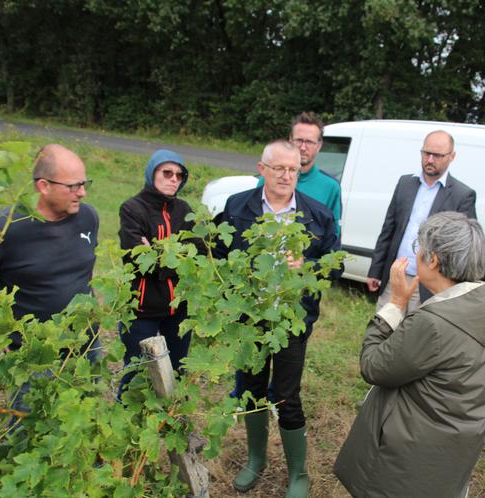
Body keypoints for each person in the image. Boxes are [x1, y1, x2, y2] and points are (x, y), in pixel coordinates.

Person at [334, 212, 485, 498]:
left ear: (433, 261)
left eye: (418, 249)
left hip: (411, 453)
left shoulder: (434, 323)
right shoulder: (484, 303)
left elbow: (375, 366)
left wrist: (395, 304)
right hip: (451, 445)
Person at [214, 139, 340, 498]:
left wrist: (308, 266)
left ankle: (298, 473)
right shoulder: (238, 207)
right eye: (279, 168)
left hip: (290, 321)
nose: (287, 175)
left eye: (293, 169)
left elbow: (335, 264)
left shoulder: (317, 215)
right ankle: (256, 460)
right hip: (249, 319)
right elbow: (222, 257)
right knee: (250, 389)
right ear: (262, 169)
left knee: (286, 395)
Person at [0, 144, 99, 422]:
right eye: (73, 186)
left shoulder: (88, 217)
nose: (82, 193)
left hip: (86, 346)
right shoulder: (2, 229)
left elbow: (82, 274)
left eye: (84, 184)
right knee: (27, 432)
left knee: (82, 426)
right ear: (43, 186)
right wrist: (6, 329)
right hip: (34, 357)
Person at [117, 149, 200, 396]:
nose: (174, 178)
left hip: (178, 309)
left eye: (179, 174)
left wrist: (153, 252)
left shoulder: (185, 209)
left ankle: (171, 422)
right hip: (141, 308)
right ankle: (130, 425)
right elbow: (137, 257)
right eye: (167, 172)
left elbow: (195, 255)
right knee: (136, 371)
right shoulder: (132, 209)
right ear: (152, 173)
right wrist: (174, 257)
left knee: (175, 372)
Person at [366, 129, 477, 312]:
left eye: (438, 155)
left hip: (429, 286)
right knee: (384, 329)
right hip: (396, 278)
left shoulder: (462, 195)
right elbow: (389, 229)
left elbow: (463, 249)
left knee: (416, 338)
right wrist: (375, 270)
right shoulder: (405, 183)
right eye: (427, 153)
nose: (430, 160)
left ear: (452, 156)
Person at [257, 111, 342, 235]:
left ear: (319, 145)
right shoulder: (267, 179)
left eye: (309, 142)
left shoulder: (330, 187)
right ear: (290, 141)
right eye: (299, 140)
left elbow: (333, 237)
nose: (303, 147)